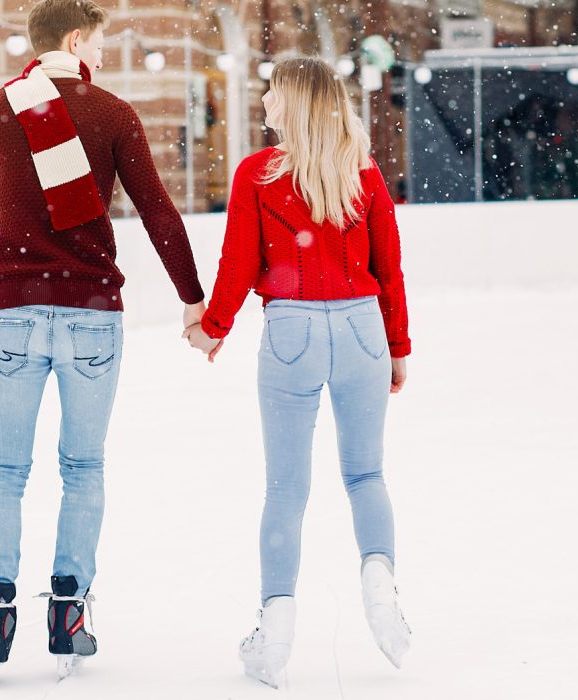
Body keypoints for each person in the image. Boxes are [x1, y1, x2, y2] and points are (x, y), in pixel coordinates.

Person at [0, 0, 207, 687]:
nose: (99, 58)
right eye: (96, 44)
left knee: (4, 470)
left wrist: (8, 264)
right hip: (92, 313)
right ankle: (68, 608)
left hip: (12, 313)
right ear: (75, 40)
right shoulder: (113, 112)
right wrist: (192, 296)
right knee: (83, 467)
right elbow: (157, 207)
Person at [184, 57, 413, 687]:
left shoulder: (259, 175)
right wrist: (396, 345)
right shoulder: (360, 172)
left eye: (271, 92)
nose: (262, 100)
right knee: (366, 473)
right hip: (363, 326)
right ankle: (380, 587)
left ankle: (277, 624)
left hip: (292, 329)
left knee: (287, 488)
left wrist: (213, 327)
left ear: (294, 103)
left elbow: (237, 264)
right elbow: (388, 268)